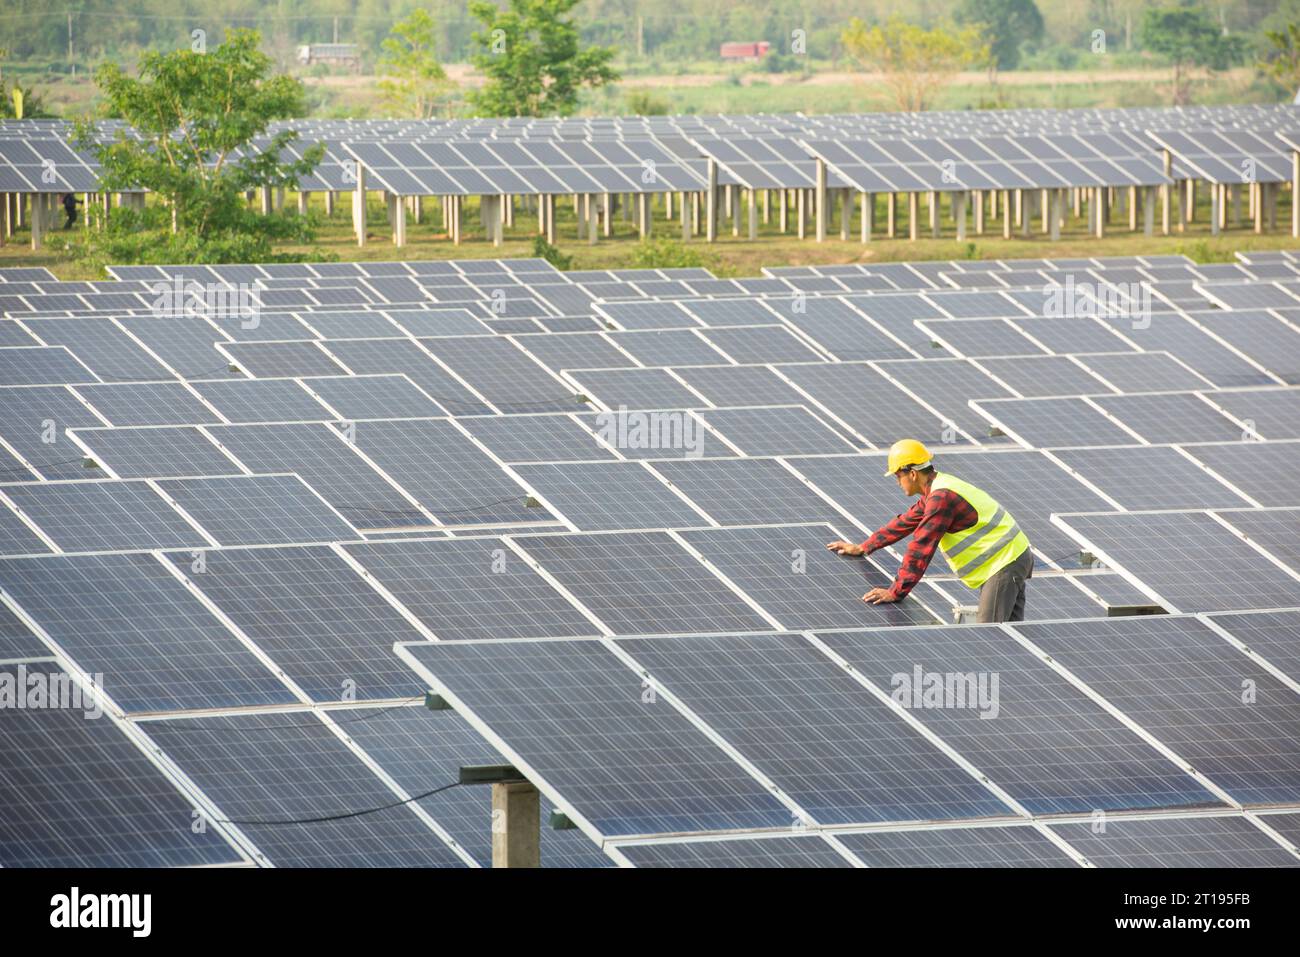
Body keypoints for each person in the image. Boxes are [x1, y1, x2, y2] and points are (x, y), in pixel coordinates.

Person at [826, 438, 1034, 623]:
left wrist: (896, 592)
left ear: (913, 473)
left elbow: (921, 547)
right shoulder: (936, 489)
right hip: (1011, 559)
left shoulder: (941, 498)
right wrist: (863, 547)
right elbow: (905, 522)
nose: (897, 482)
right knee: (1009, 636)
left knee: (989, 636)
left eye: (898, 476)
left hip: (1004, 563)